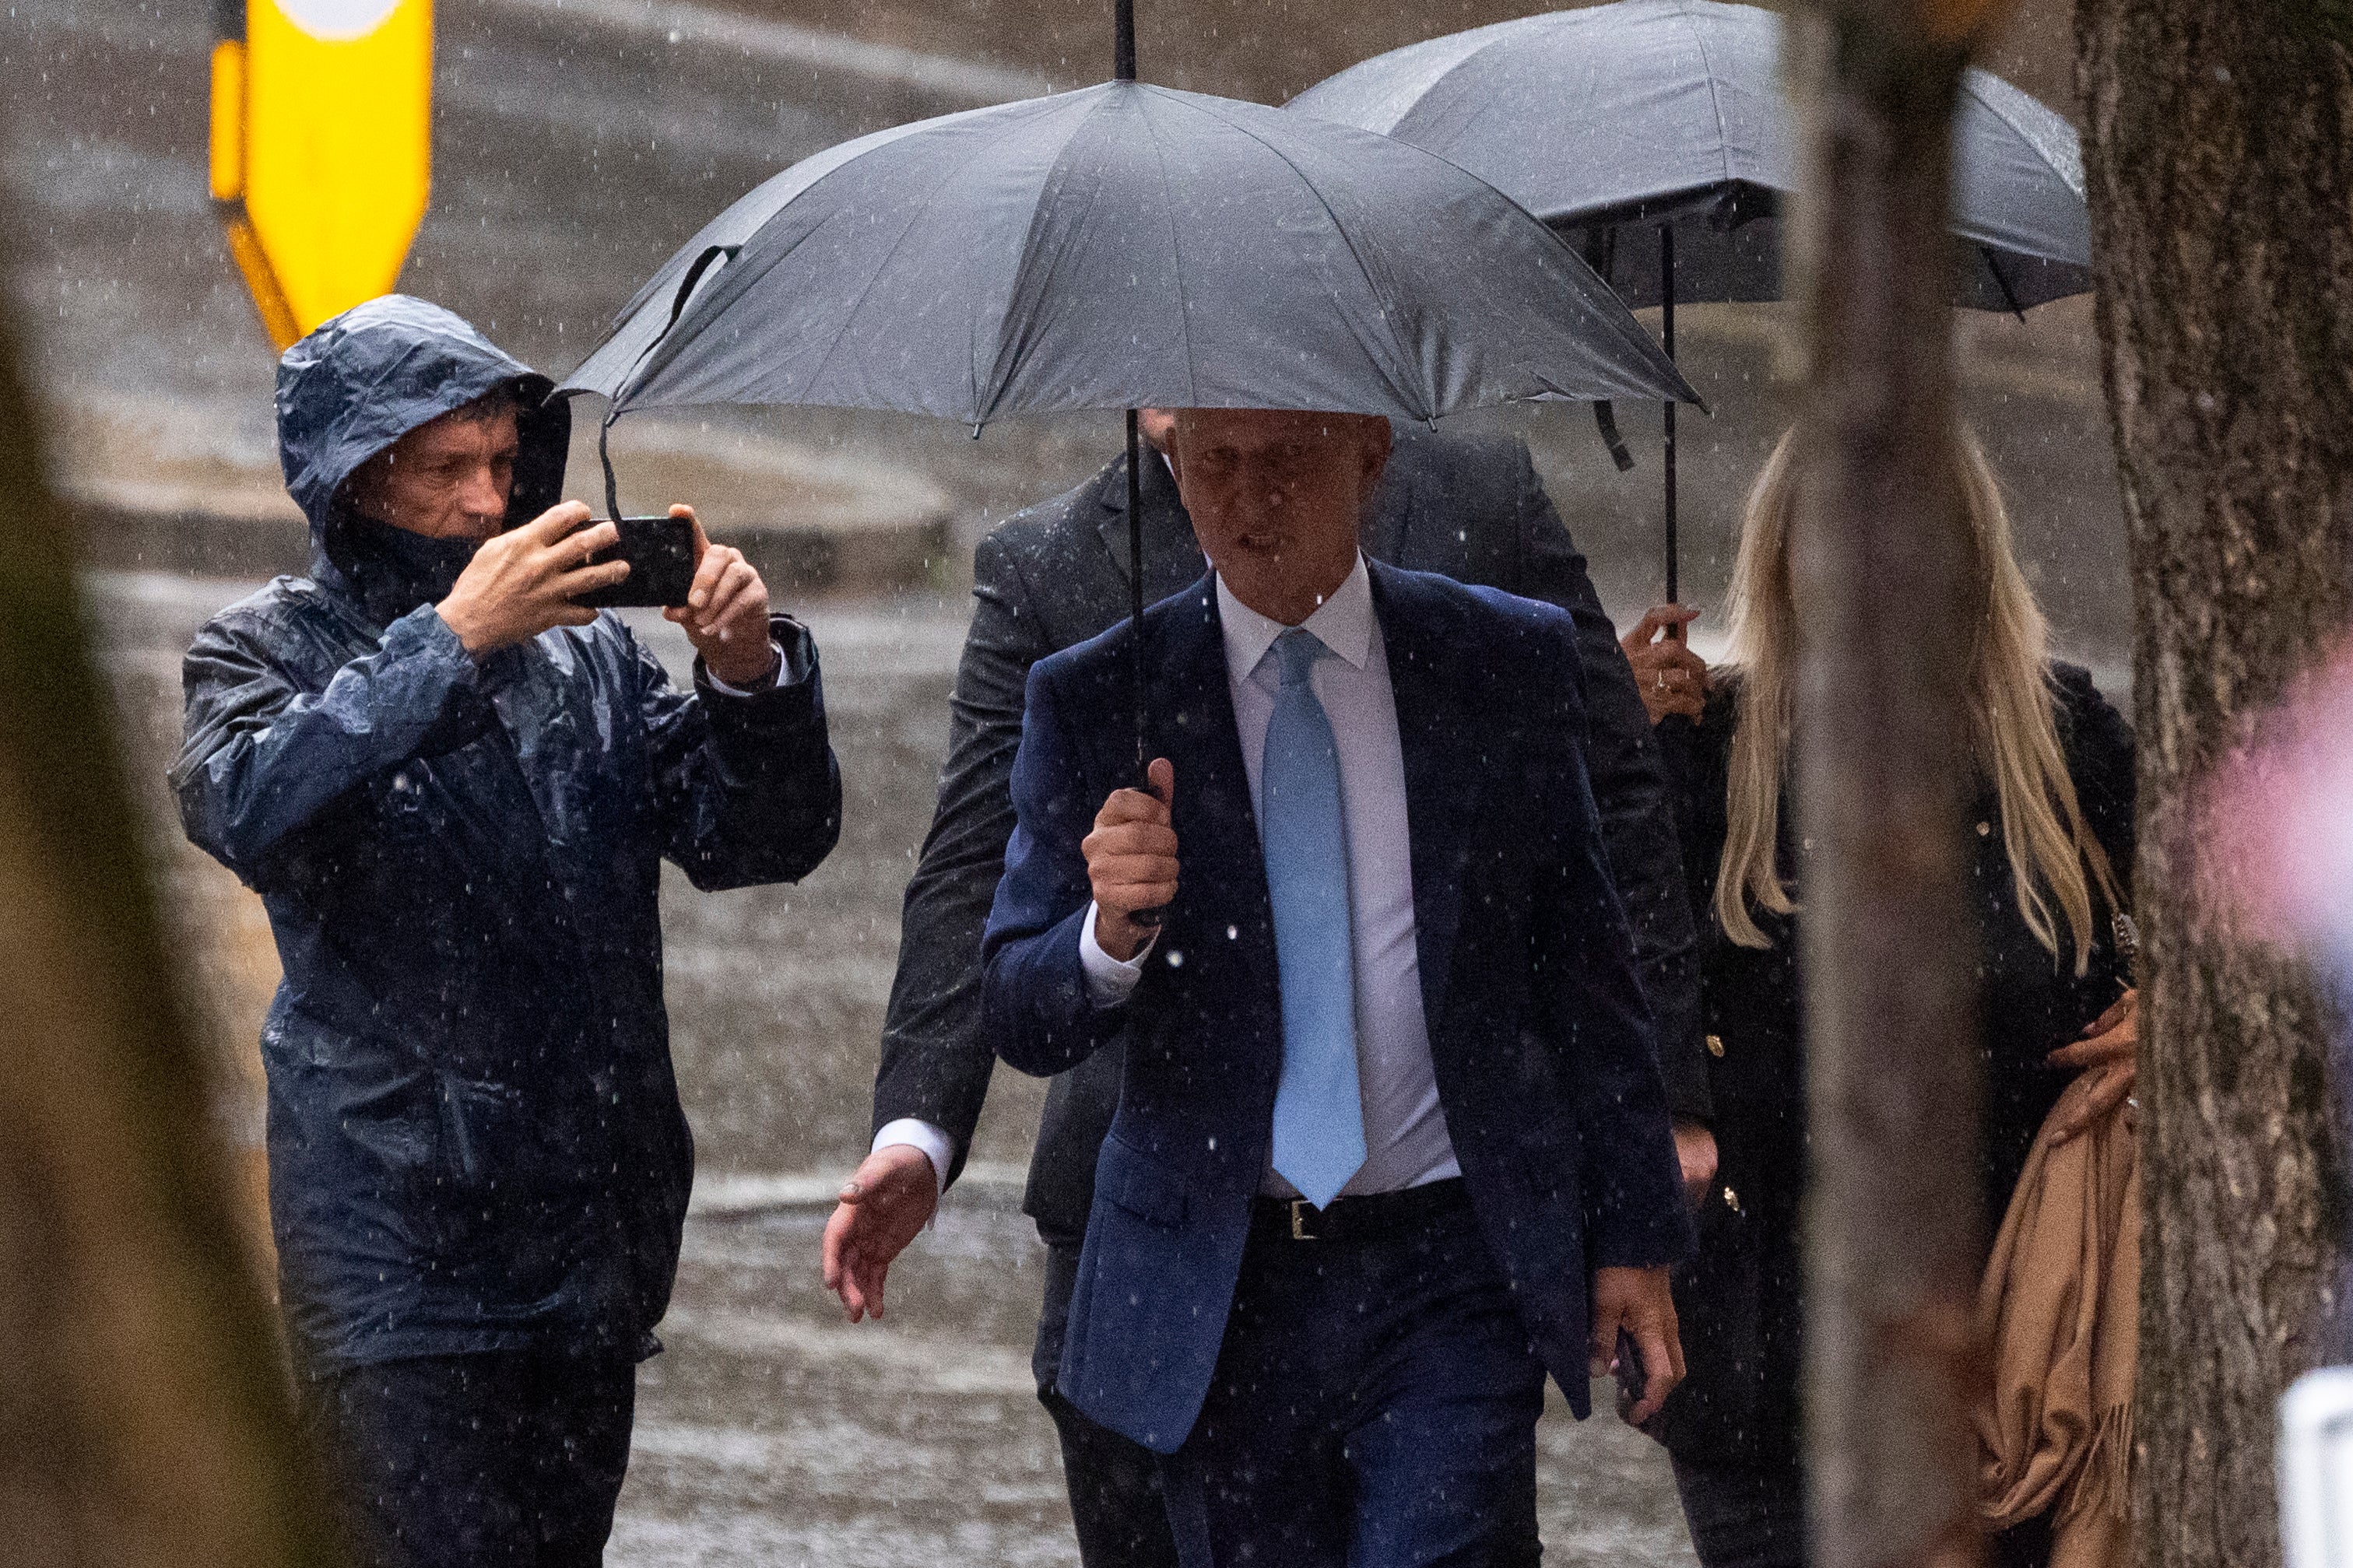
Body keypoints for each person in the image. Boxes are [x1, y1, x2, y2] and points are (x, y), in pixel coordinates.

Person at [827, 410, 1716, 1564]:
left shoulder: (1499, 658)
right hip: (1221, 1281)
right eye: (1215, 469)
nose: (1249, 505)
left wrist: (1635, 1227)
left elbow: (1584, 957)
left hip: (1447, 1263)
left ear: (1369, 454)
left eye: (1286, 465)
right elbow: (1016, 996)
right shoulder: (1101, 692)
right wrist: (1107, 932)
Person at [170, 296, 841, 1567]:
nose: (487, 502)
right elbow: (248, 803)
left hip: (589, 1241)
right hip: (396, 1254)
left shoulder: (585, 664)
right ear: (357, 482)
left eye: (498, 462)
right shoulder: (263, 649)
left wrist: (752, 678)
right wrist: (447, 644)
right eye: (444, 470)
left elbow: (760, 839)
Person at [1622, 428, 2140, 1568]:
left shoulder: (2065, 744)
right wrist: (1613, 750)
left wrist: (2173, 1016)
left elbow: (2235, 924)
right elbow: (1589, 985)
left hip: (2012, 1364)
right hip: (1763, 1377)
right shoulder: (1703, 749)